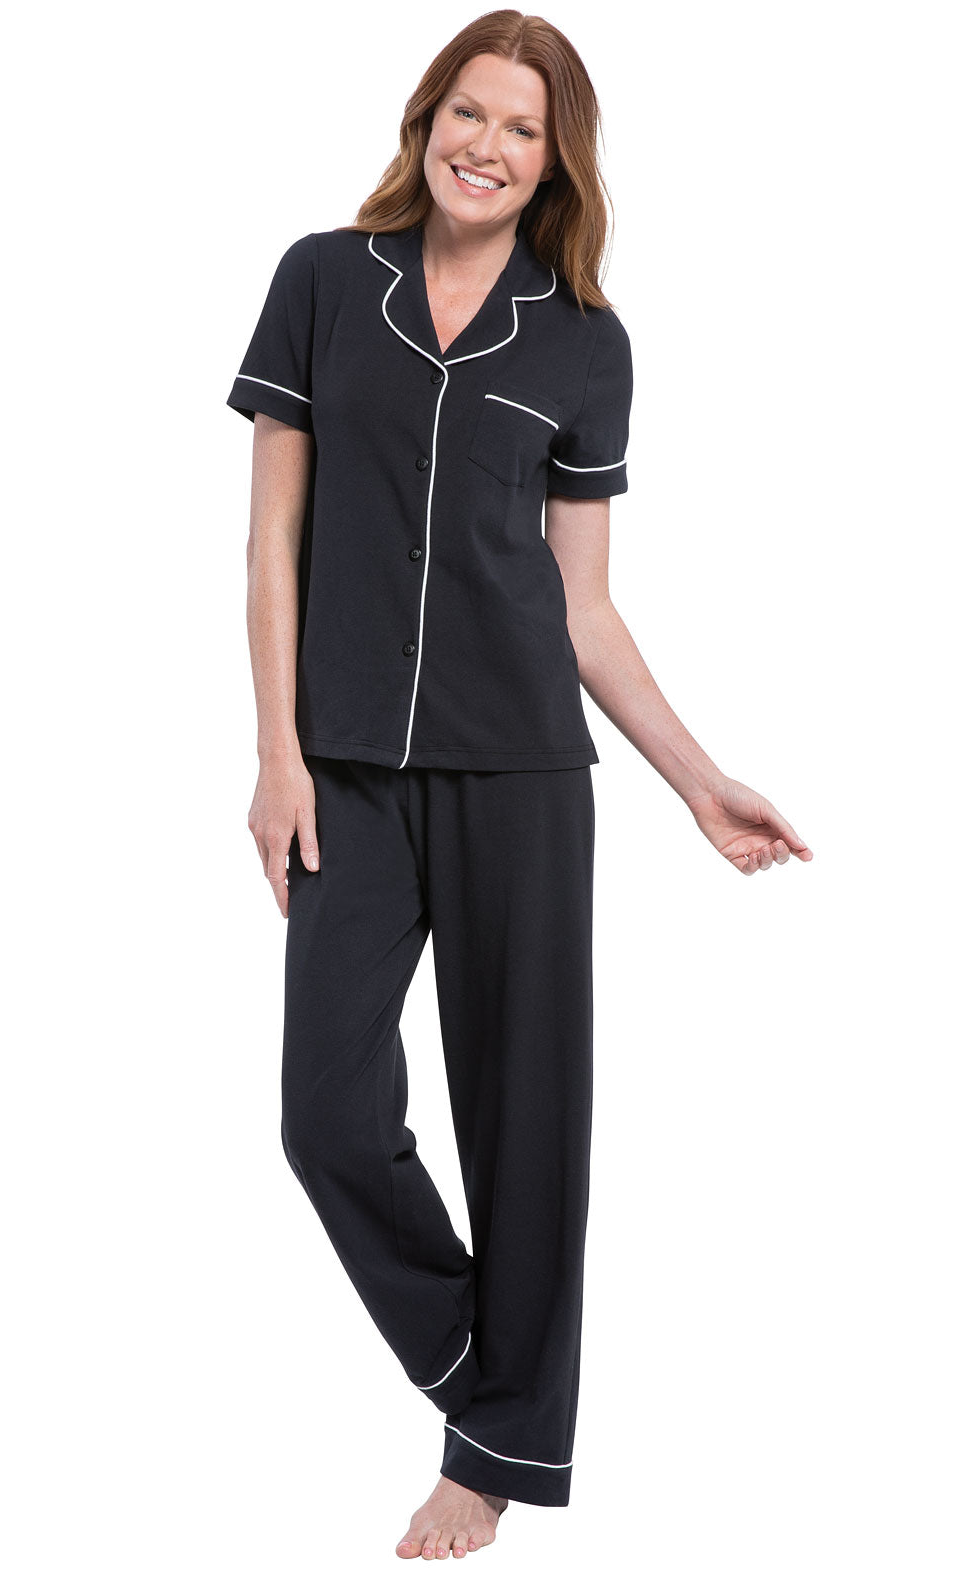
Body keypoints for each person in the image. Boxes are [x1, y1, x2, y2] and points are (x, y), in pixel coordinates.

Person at [226, 10, 813, 1563]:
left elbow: (584, 607)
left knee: (526, 1124)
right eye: (467, 112)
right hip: (346, 774)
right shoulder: (320, 281)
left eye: (521, 128)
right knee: (326, 1116)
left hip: (524, 778)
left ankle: (490, 1460)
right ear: (427, 119)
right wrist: (277, 757)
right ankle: (494, 1385)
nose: (485, 145)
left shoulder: (583, 344)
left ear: (558, 162)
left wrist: (698, 781)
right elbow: (269, 537)